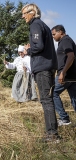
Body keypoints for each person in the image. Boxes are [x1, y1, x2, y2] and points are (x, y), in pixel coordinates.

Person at [22, 4, 60, 142]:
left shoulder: (35, 24)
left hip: (42, 68)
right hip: (48, 67)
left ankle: (52, 135)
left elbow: (39, 46)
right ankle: (52, 133)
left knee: (46, 100)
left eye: (24, 13)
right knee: (48, 99)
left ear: (33, 12)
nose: (23, 16)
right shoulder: (43, 25)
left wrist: (29, 51)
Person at [51, 25, 76, 126]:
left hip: (65, 75)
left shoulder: (65, 41)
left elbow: (71, 56)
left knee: (53, 93)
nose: (53, 36)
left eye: (54, 34)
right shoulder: (68, 40)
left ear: (60, 32)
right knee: (74, 98)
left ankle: (64, 118)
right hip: (73, 76)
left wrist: (63, 72)